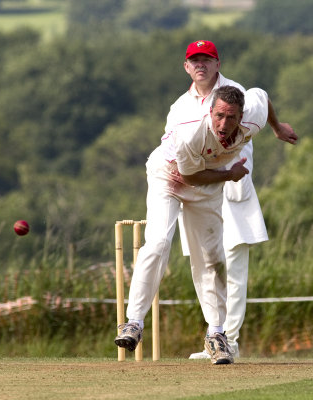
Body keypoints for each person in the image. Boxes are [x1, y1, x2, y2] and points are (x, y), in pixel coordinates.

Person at [114, 84, 297, 365]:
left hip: (209, 181)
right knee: (159, 241)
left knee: (211, 259)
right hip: (171, 176)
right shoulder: (191, 133)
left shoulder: (253, 117)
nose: (224, 124)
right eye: (219, 116)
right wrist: (230, 174)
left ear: (241, 116)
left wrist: (277, 128)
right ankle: (134, 322)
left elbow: (262, 95)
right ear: (210, 112)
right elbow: (190, 178)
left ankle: (216, 335)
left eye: (231, 117)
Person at [164, 40, 297, 359]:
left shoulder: (235, 93)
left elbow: (262, 97)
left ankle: (230, 341)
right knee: (207, 267)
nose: (201, 65)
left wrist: (277, 128)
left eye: (206, 60)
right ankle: (216, 336)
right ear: (186, 66)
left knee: (233, 267)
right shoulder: (180, 107)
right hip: (199, 192)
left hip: (233, 190)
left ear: (217, 63)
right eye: (194, 60)